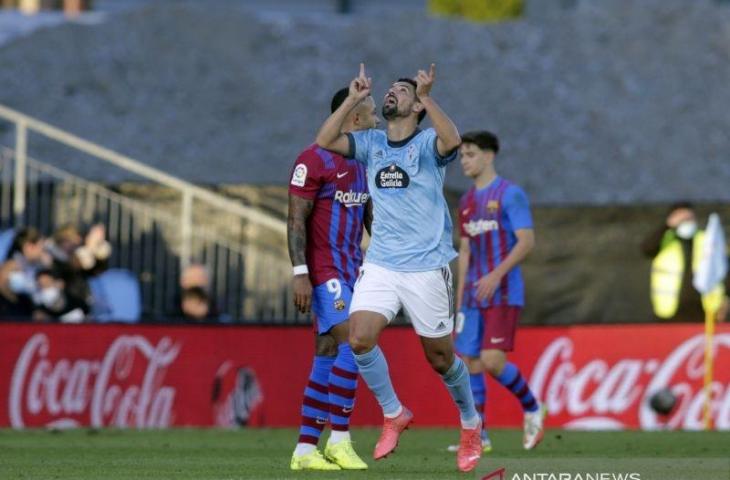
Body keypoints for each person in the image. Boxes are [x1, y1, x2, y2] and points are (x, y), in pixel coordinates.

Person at [315, 64, 483, 473]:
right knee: (358, 338)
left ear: (417, 108)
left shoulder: (427, 144)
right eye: (389, 90)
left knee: (441, 359)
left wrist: (426, 94)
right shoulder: (371, 143)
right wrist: (354, 98)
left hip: (427, 267)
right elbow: (324, 140)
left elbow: (453, 139)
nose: (392, 94)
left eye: (401, 92)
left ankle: (470, 423)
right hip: (383, 264)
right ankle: (393, 413)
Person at [287, 87, 377, 471]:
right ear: (354, 118)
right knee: (356, 343)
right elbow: (295, 218)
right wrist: (300, 274)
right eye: (371, 113)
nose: (377, 119)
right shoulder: (313, 159)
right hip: (325, 273)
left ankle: (306, 450)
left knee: (327, 353)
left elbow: (372, 218)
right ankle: (340, 439)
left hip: (353, 268)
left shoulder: (363, 160)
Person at [450, 130, 544, 453]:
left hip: (503, 292)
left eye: (471, 154)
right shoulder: (466, 202)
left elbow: (527, 241)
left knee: (491, 360)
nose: (464, 160)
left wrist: (496, 274)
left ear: (489, 156)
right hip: (473, 296)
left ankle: (532, 407)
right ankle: (480, 435)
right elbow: (465, 252)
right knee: (471, 362)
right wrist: (460, 299)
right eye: (462, 155)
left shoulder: (510, 194)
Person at [641, 202, 729, 323]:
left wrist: (726, 299)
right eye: (680, 219)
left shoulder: (707, 240)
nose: (685, 222)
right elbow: (647, 248)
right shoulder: (665, 239)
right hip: (670, 311)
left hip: (705, 309)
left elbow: (723, 268)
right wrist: (667, 226)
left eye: (688, 218)